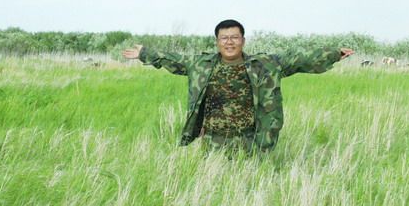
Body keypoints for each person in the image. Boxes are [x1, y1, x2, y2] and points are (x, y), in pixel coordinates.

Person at [122, 19, 354, 153]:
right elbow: (172, 59)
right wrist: (145, 53)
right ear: (217, 42)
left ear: (243, 41)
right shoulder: (201, 64)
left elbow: (299, 58)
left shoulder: (263, 65)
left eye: (235, 37)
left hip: (249, 142)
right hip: (211, 142)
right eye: (224, 38)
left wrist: (332, 54)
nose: (230, 42)